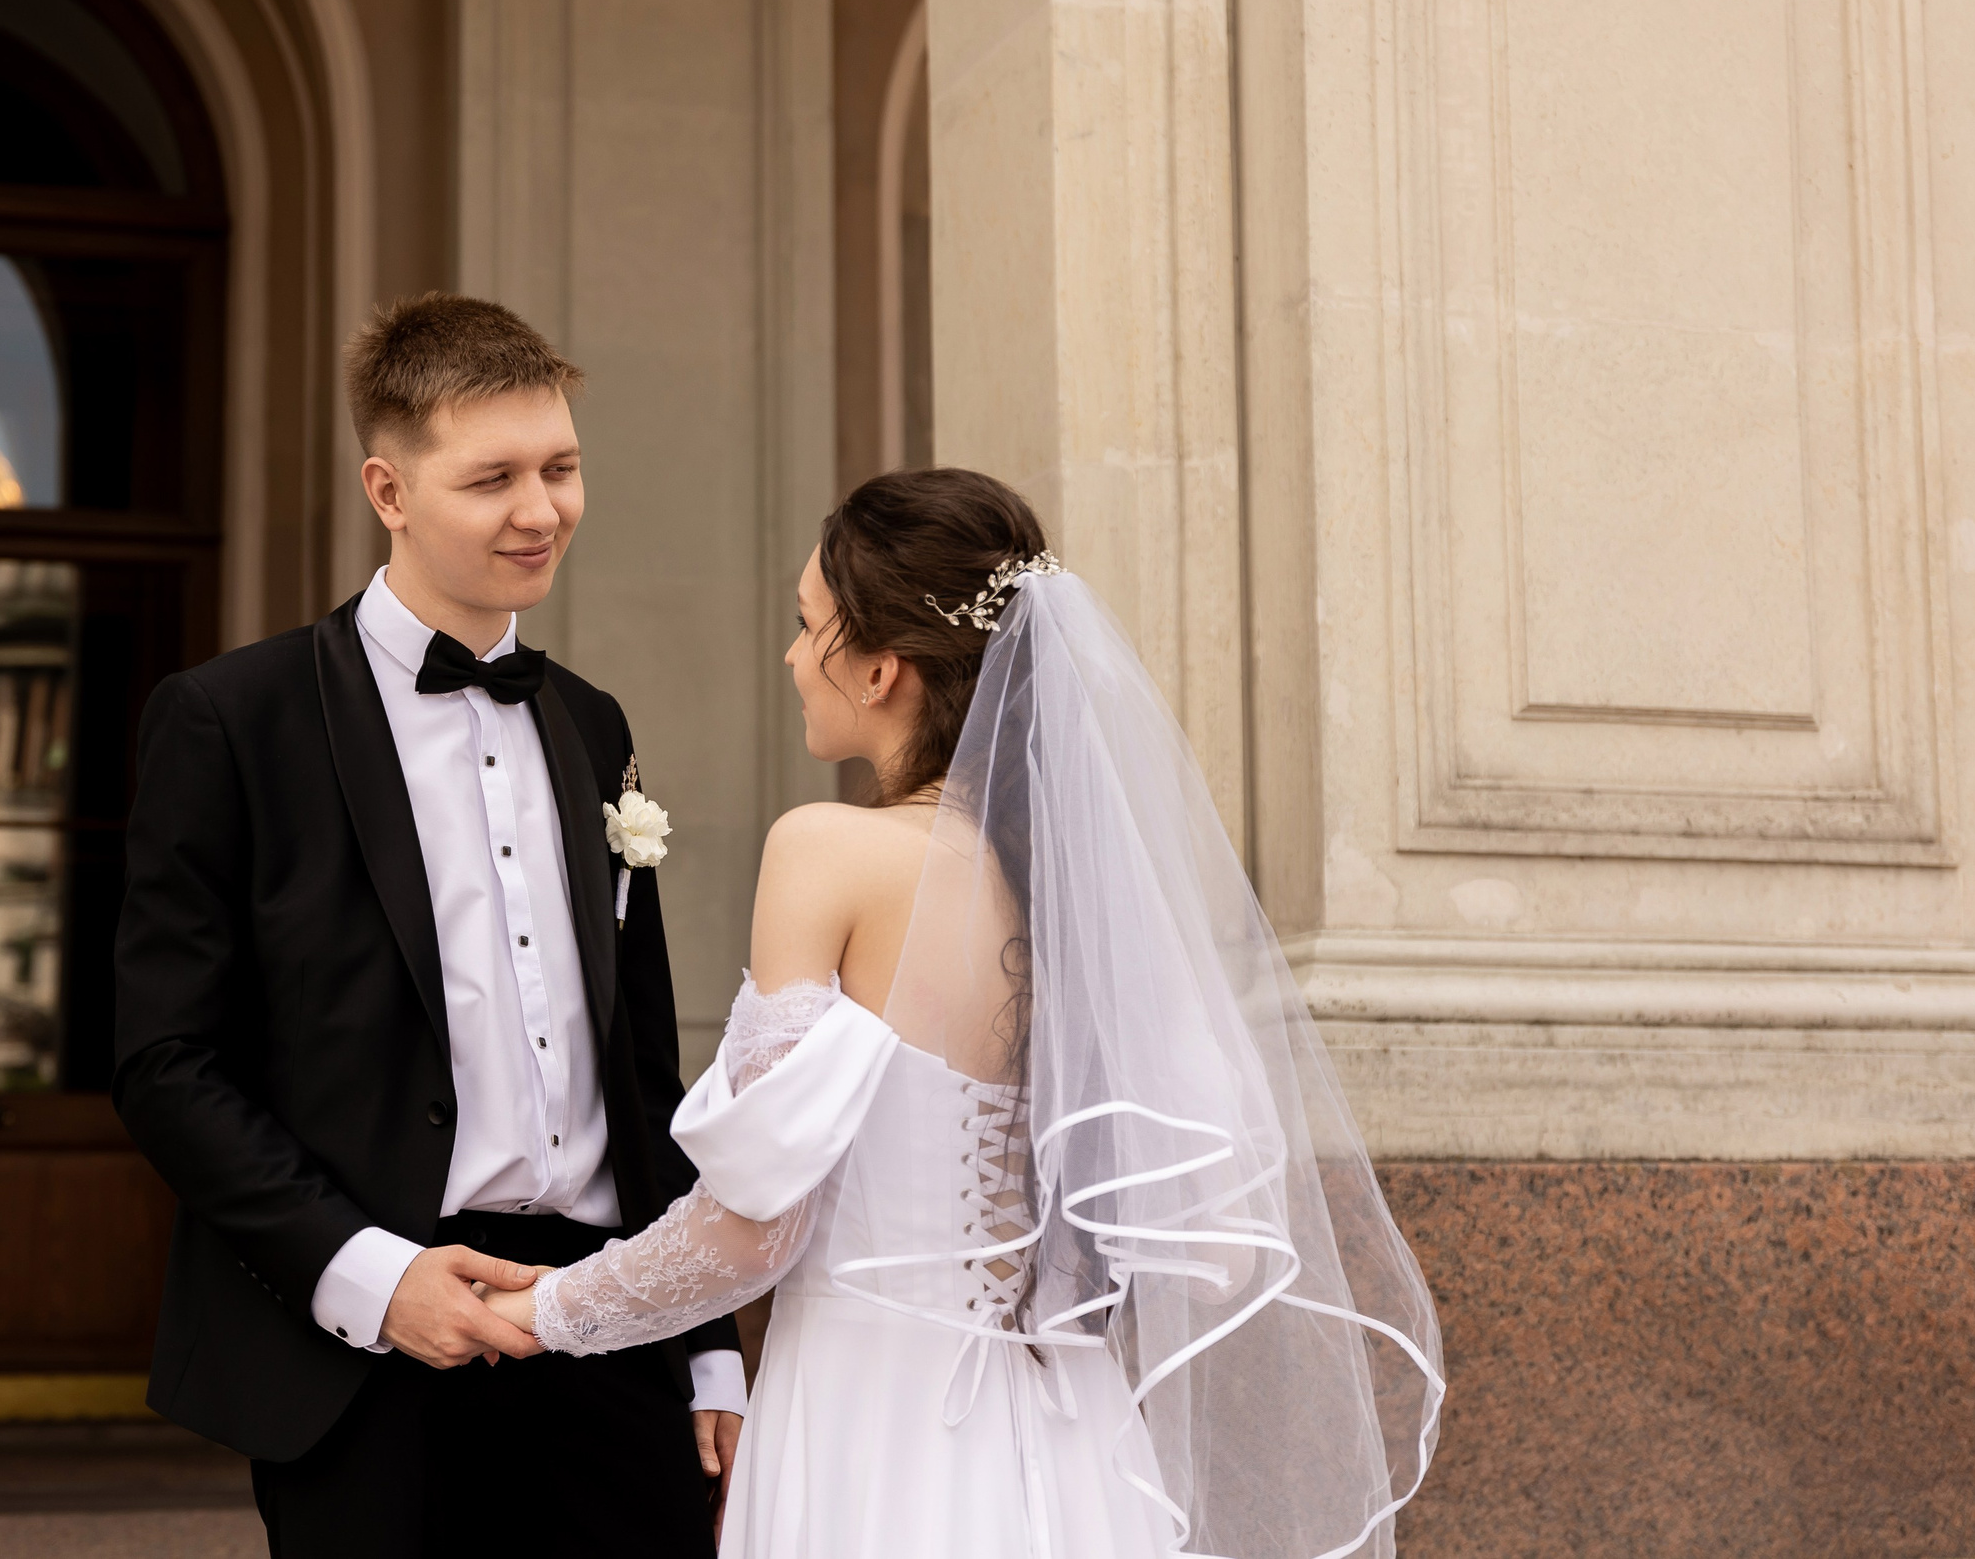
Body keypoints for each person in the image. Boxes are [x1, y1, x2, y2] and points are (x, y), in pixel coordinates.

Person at [482, 468, 1448, 1558]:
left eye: (808, 629)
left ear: (881, 667)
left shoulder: (826, 851)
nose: (795, 659)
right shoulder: (1084, 886)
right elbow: (1207, 1255)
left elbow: (755, 1228)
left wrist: (543, 1310)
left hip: (870, 1425)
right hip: (1075, 1432)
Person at [112, 293, 743, 1558]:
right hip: (363, 1344)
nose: (541, 509)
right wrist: (373, 1275)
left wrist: (706, 1338)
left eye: (561, 468)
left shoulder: (591, 724)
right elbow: (167, 1066)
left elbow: (640, 1066)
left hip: (602, 1320)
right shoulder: (232, 721)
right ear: (388, 491)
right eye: (493, 477)